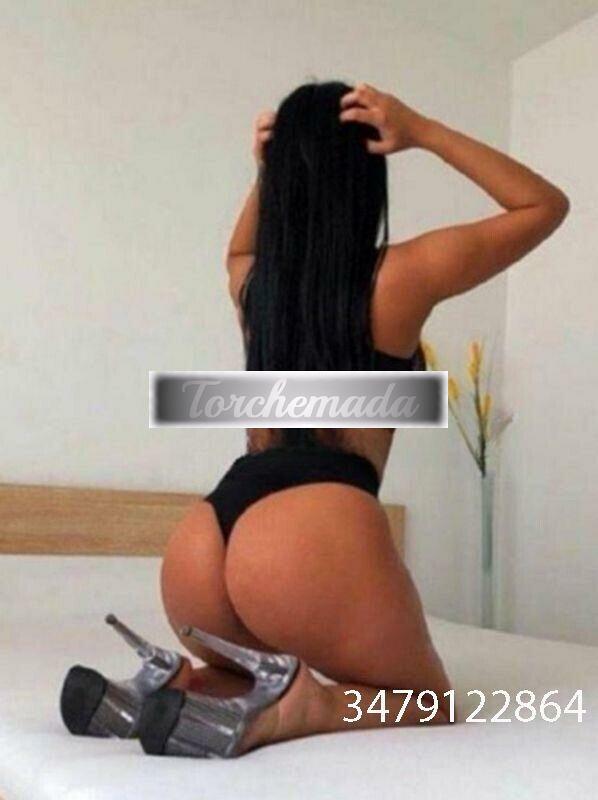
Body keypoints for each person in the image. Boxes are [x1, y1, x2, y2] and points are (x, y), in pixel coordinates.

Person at [60, 81, 569, 757]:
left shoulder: (255, 287)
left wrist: (267, 169)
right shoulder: (400, 276)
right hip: (309, 532)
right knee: (428, 701)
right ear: (367, 175)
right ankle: (308, 705)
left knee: (248, 671)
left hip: (204, 542)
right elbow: (543, 205)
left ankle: (179, 683)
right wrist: (422, 130)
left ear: (282, 180)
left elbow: (236, 253)